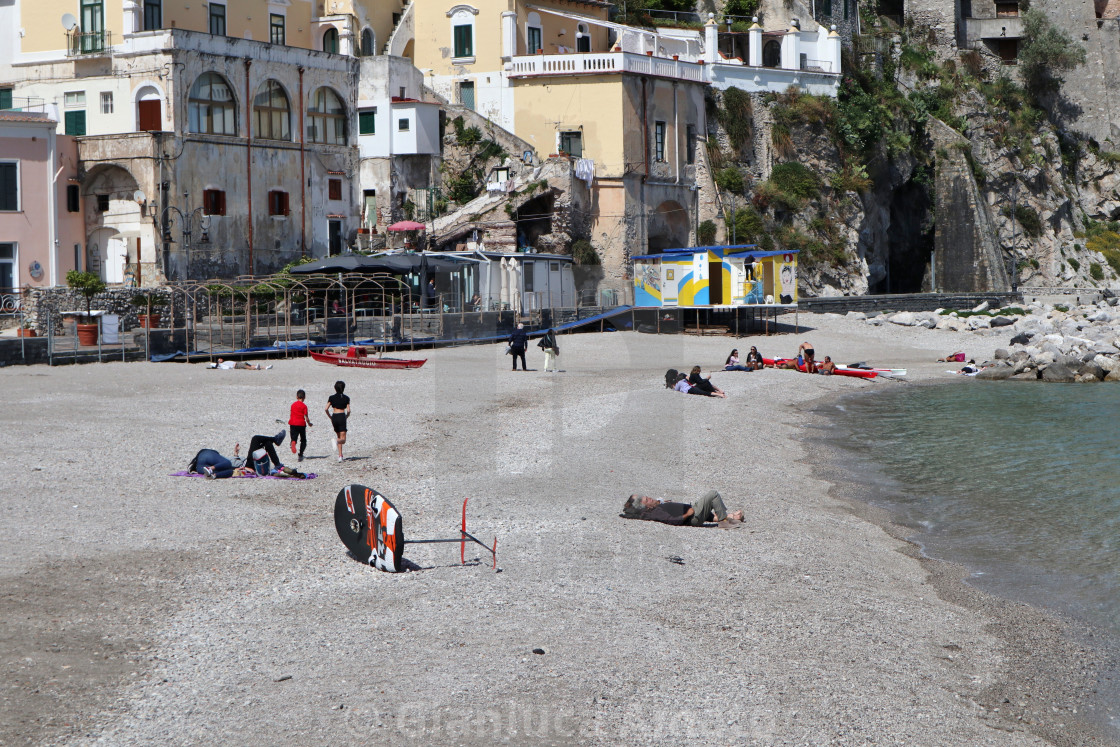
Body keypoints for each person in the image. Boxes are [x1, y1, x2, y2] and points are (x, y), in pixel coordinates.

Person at [620, 491, 744, 526]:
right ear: (644, 506)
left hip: (693, 514)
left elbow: (663, 505)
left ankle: (728, 518)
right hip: (692, 518)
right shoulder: (654, 512)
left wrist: (661, 501)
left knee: (708, 501)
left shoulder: (654, 507)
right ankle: (725, 522)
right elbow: (672, 520)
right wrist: (687, 514)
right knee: (713, 495)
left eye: (648, 497)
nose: (650, 498)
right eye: (647, 500)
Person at [325, 380, 351, 463]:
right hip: (341, 416)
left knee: (339, 435)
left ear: (335, 388)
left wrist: (330, 417)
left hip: (334, 416)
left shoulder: (331, 397)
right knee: (343, 439)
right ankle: (336, 441)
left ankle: (340, 456)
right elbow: (349, 410)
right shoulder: (346, 398)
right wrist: (346, 416)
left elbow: (326, 409)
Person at [288, 389, 313, 462]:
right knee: (303, 440)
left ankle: (293, 442)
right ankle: (301, 453)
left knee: (294, 437)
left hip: (293, 423)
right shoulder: (304, 406)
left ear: (296, 397)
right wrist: (309, 423)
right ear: (304, 397)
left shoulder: (293, 405)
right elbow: (306, 417)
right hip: (301, 424)